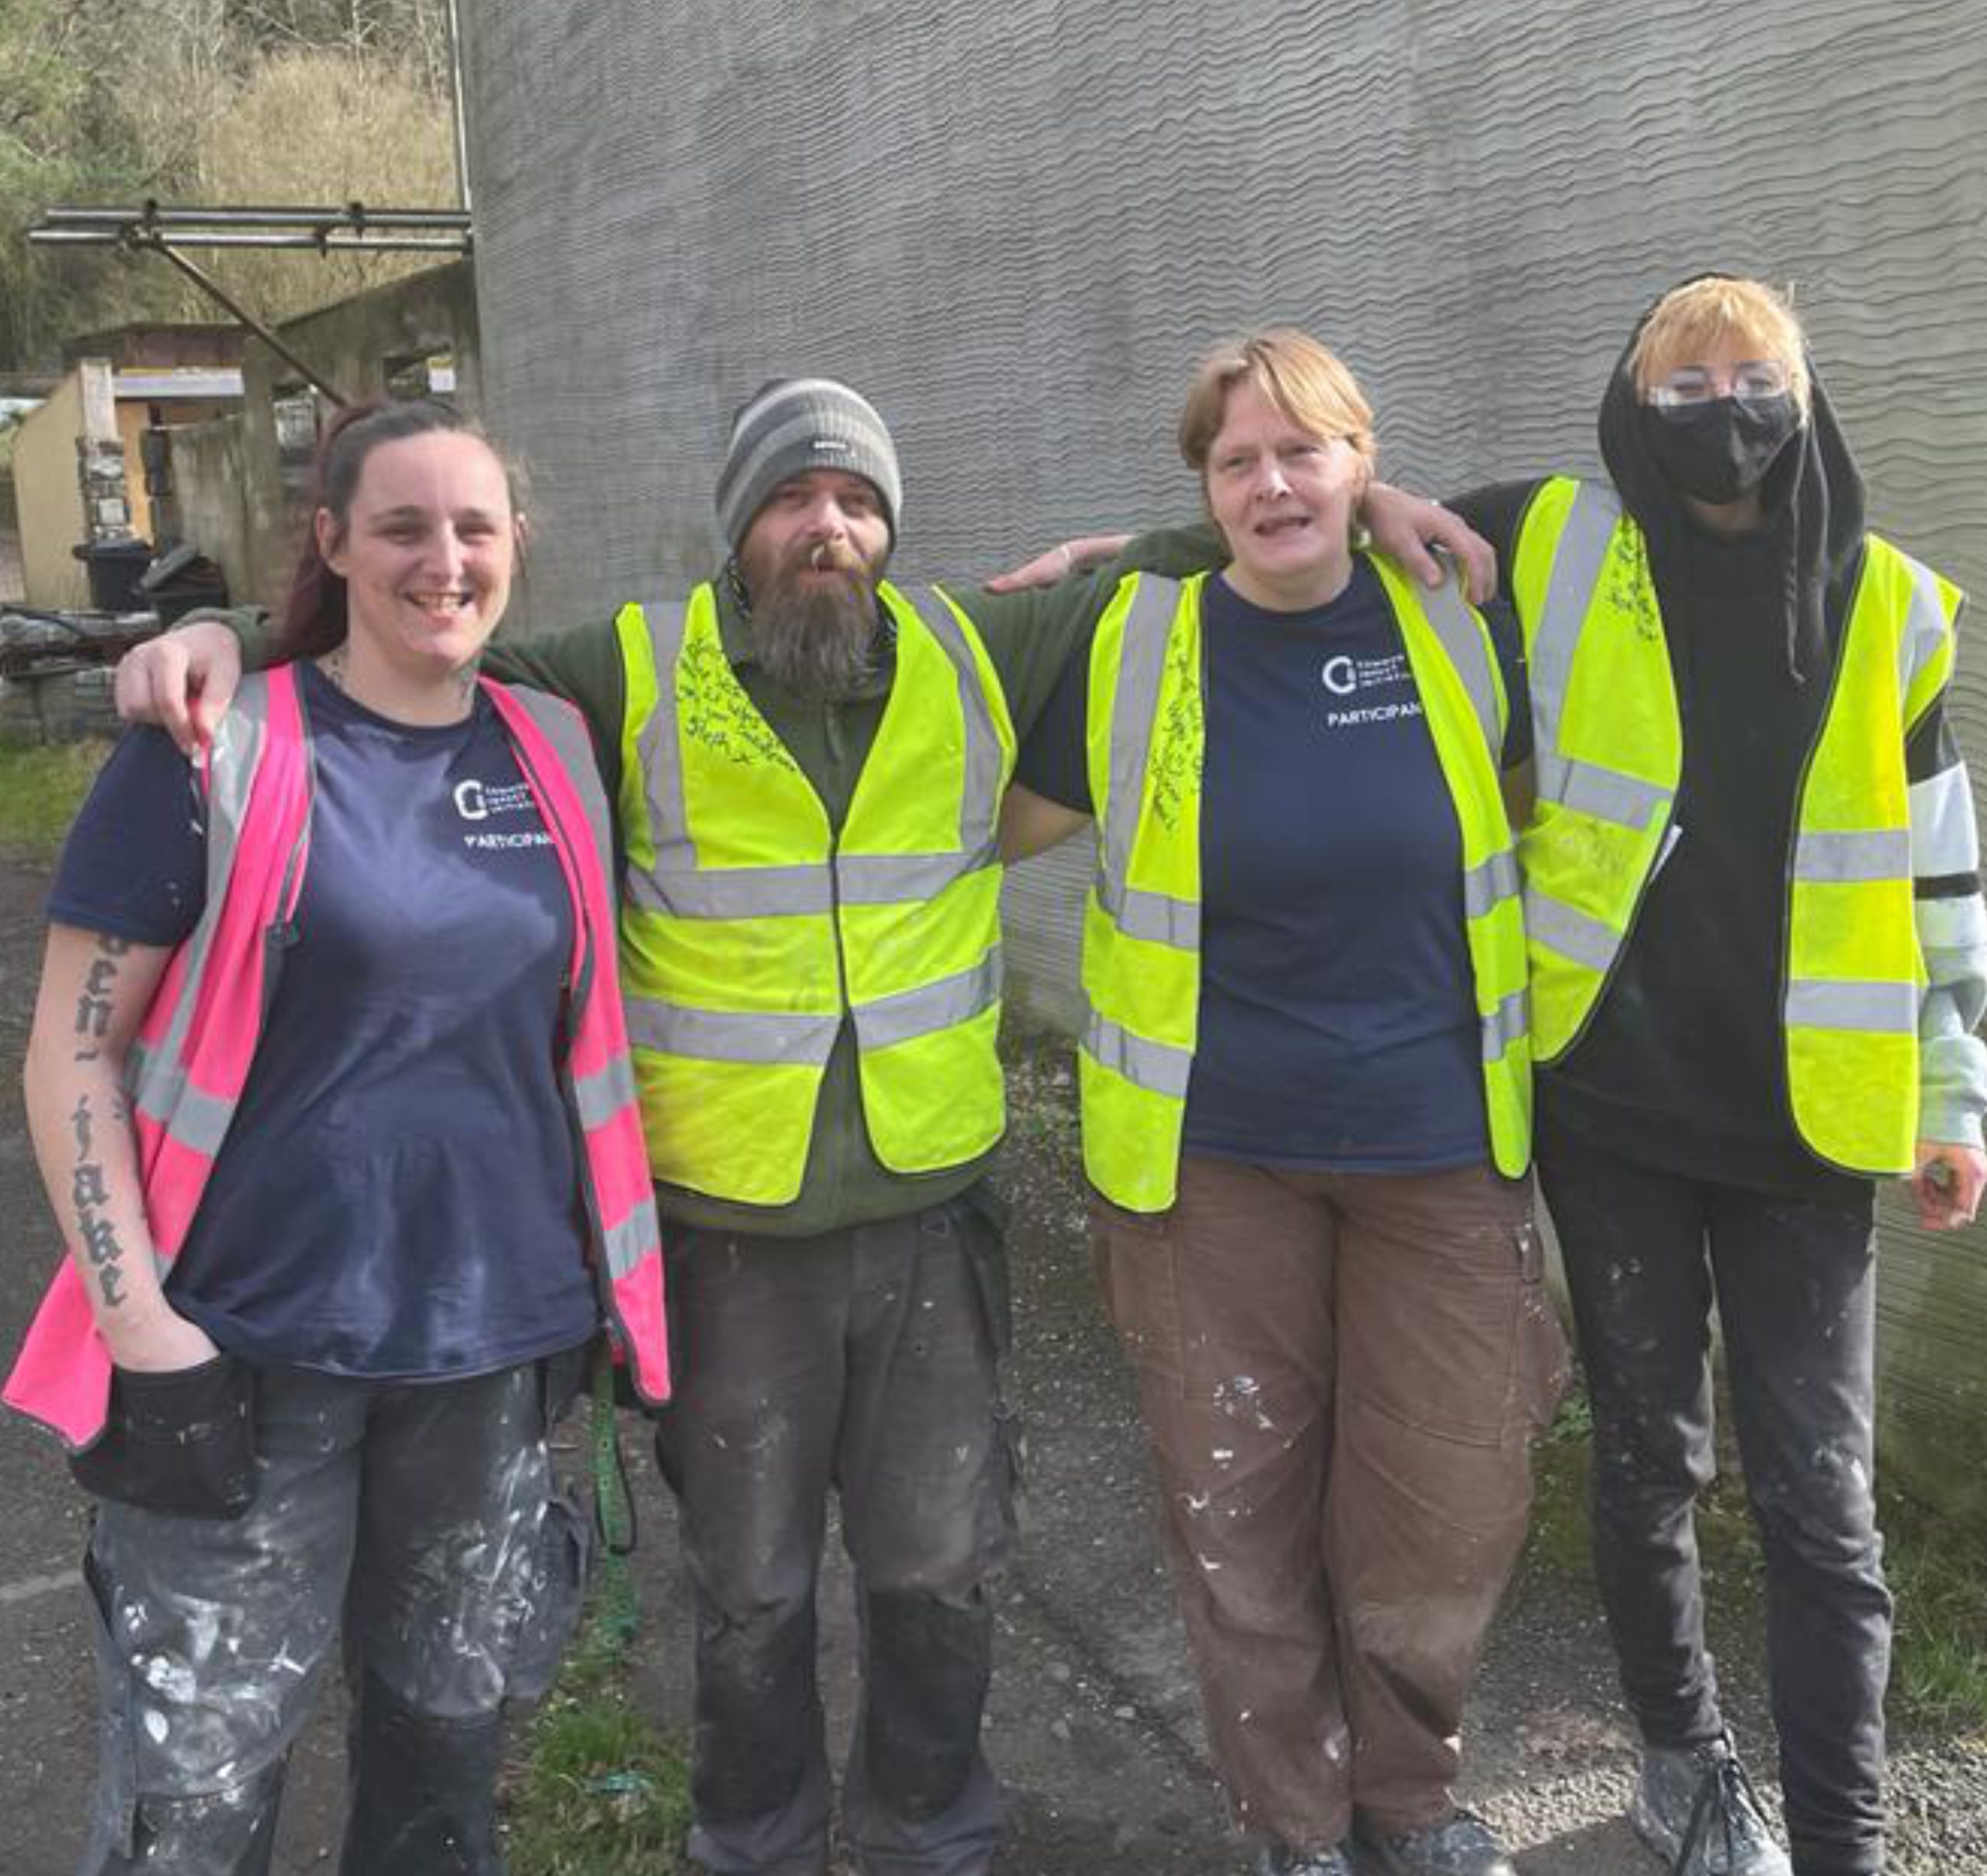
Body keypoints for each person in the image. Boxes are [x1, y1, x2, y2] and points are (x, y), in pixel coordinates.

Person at [110, 376, 1495, 1876]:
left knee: (941, 1571)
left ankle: (929, 1840)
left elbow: (1211, 546)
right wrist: (227, 633)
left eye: (855, 501)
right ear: (739, 530)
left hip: (930, 1218)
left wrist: (1369, 501)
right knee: (752, 1588)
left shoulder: (980, 645)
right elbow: (418, 628)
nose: (824, 526)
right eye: (790, 498)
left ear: (891, 529)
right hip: (730, 1234)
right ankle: (752, 1843)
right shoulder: (627, 667)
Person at [1021, 279, 1987, 1876]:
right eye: (1682, 385)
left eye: (1753, 378)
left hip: (1651, 1131)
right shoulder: (1502, 560)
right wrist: (1114, 565)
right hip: (1429, 1130)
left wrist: (1951, 1094)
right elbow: (1282, 542)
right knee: (1458, 1483)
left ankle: (1703, 1822)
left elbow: (1939, 878)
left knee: (1646, 1504)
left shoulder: (1826, 607)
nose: (1721, 409)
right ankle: (1456, 1800)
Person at [4, 397, 669, 1876]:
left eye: (474, 529)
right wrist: (142, 1332)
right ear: (332, 544)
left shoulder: (558, 743)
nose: (444, 562)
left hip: (489, 1357)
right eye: (402, 528)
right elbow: (74, 1050)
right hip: (247, 1357)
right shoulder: (211, 745)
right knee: (198, 1793)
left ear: (516, 550)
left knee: (443, 1761)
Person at [998, 330, 1566, 1876]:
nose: (1270, 483)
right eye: (1233, 459)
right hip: (1211, 1161)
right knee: (1233, 1499)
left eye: (1303, 451)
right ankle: (1296, 1823)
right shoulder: (1131, 642)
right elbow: (977, 822)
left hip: (1438, 1150)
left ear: (1364, 467)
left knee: (1443, 1497)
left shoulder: (1455, 626)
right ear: (1197, 487)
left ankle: (1408, 1793)